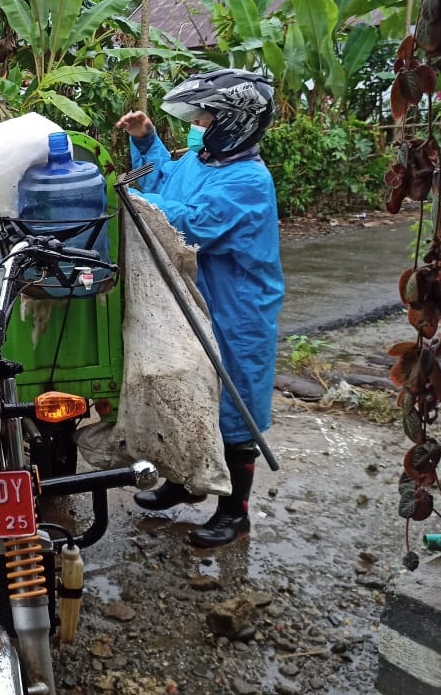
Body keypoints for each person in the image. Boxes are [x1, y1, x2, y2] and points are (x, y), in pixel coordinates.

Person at [115, 69, 285, 548]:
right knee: (188, 388)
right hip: (195, 298)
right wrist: (146, 141)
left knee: (233, 409)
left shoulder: (248, 181)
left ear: (235, 122)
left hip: (237, 311)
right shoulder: (199, 160)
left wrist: (130, 197)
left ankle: (235, 512)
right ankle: (183, 483)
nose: (197, 124)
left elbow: (185, 221)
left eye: (204, 116)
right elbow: (167, 181)